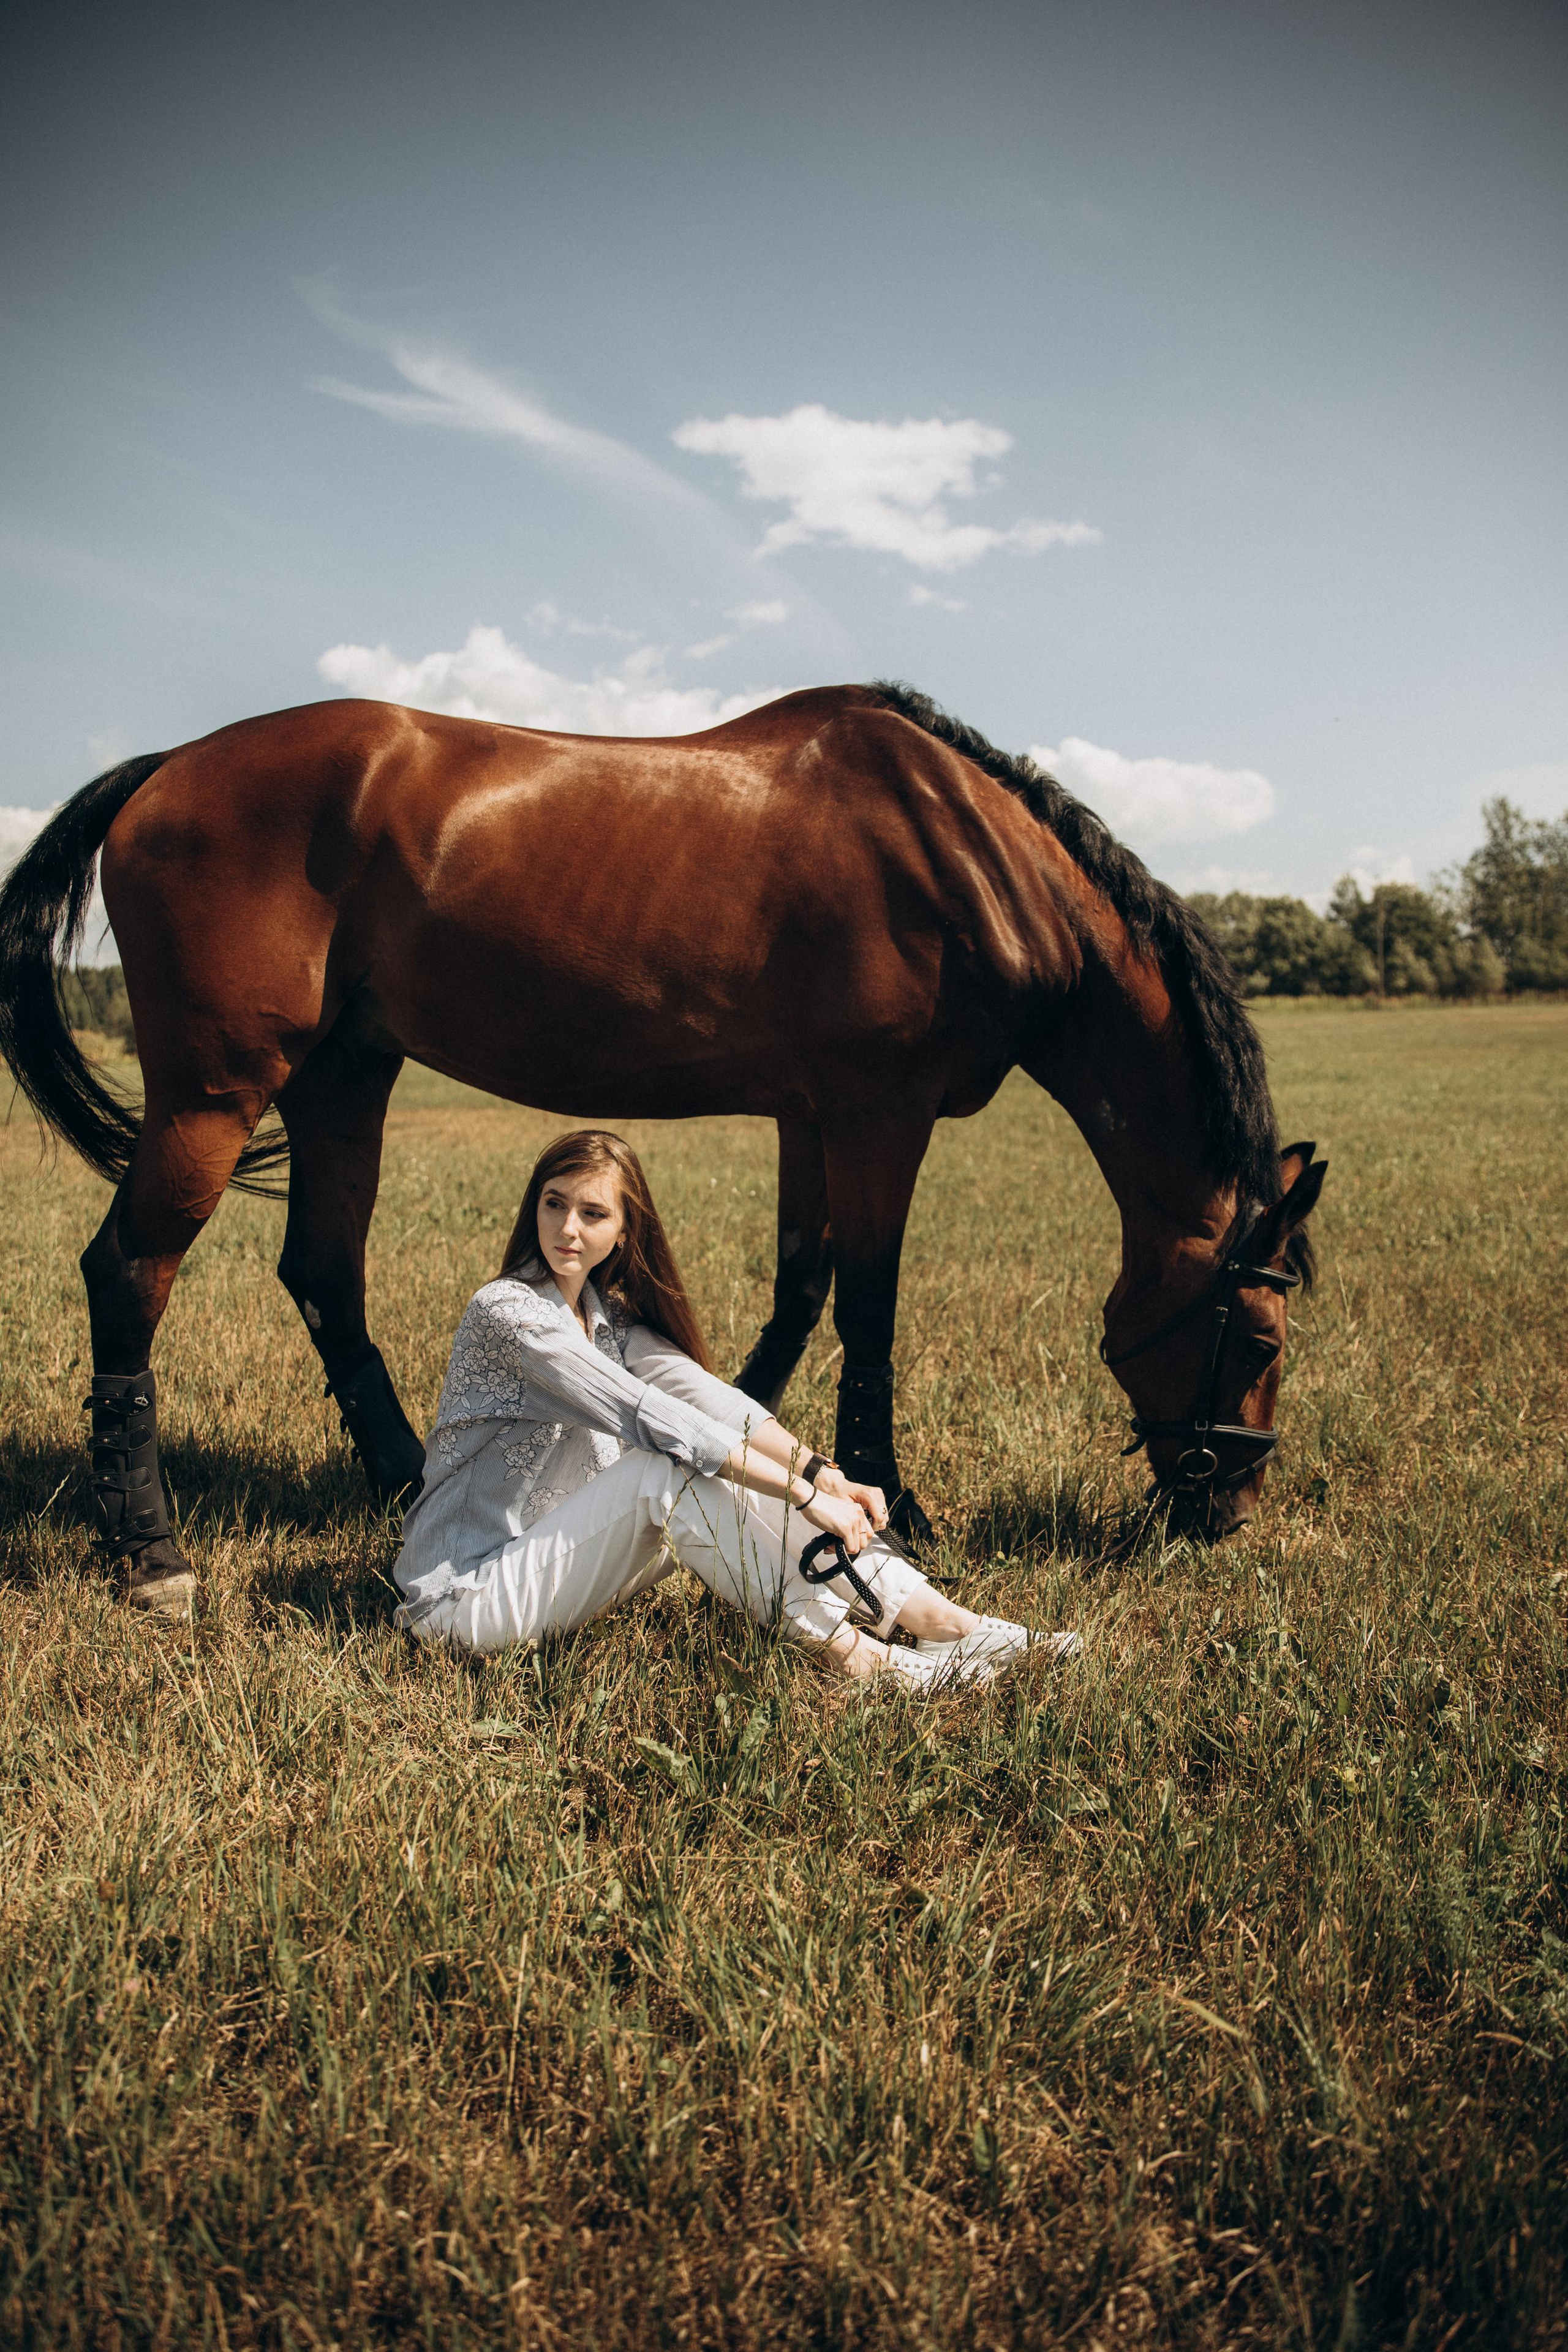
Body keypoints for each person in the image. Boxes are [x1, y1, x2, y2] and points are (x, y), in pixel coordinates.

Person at [393, 1129, 1073, 1686]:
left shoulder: (606, 1318)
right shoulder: (510, 1315)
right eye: (554, 1204)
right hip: (462, 1601)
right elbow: (652, 1417)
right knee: (668, 1468)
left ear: (625, 1232)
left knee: (714, 1460)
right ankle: (862, 1660)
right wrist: (803, 1494)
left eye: (593, 1213)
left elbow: (705, 1398)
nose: (567, 1228)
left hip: (550, 1565)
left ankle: (941, 1622)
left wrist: (821, 1473)